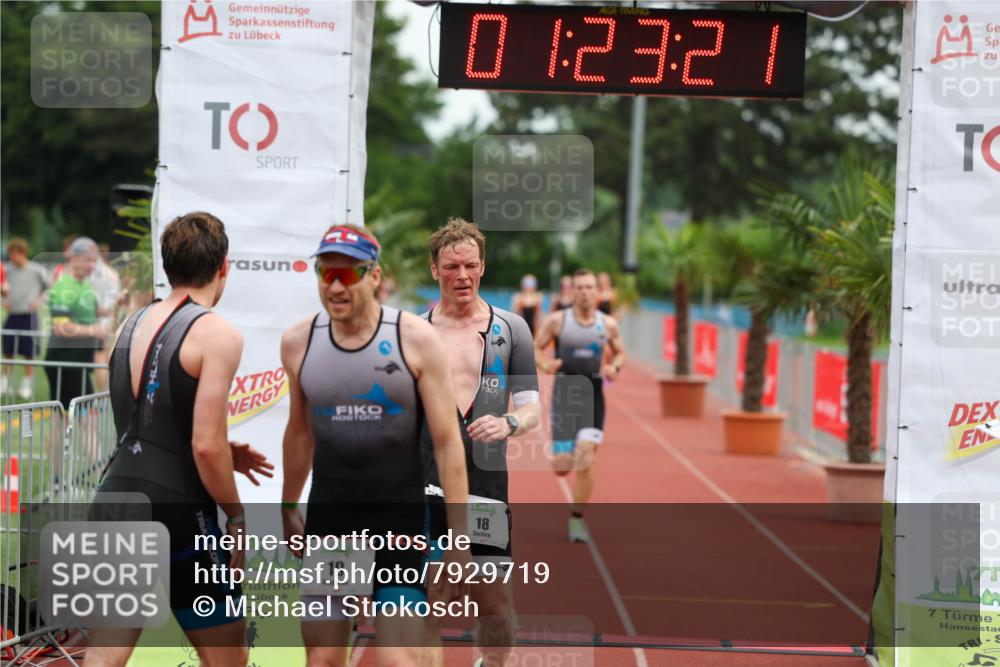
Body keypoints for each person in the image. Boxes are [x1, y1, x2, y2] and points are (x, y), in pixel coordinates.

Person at [85, 211, 273, 667]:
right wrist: (236, 516)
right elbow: (203, 446)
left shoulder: (131, 324)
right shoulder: (216, 332)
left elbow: (147, 424)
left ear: (167, 265)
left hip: (115, 500)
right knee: (228, 658)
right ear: (224, 266)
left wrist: (227, 451)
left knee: (104, 657)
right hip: (179, 512)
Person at [279, 224, 472, 667]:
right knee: (322, 660)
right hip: (332, 521)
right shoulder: (298, 342)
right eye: (326, 272)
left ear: (374, 277)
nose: (335, 284)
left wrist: (459, 538)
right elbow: (300, 432)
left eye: (348, 274)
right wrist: (290, 503)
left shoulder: (416, 339)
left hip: (398, 523)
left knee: (397, 658)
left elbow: (446, 442)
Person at [422, 219, 541, 667]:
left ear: (483, 267)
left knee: (493, 607)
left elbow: (532, 409)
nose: (463, 276)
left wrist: (508, 422)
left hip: (486, 491)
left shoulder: (512, 331)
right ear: (435, 270)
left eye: (471, 265)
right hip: (425, 489)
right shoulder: (413, 332)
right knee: (428, 606)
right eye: (452, 267)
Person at [534, 269, 625, 543]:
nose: (585, 292)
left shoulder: (607, 324)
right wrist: (547, 364)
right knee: (562, 468)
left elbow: (620, 351)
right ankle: (568, 453)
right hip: (565, 395)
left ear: (596, 291)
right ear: (572, 291)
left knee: (587, 458)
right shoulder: (557, 321)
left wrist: (614, 367)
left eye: (589, 287)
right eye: (580, 287)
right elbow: (537, 347)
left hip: (594, 394)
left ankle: (576, 521)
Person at [44, 237, 101, 408]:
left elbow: (92, 313)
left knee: (62, 420)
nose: (92, 265)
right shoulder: (63, 286)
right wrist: (93, 330)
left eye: (94, 261)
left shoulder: (84, 284)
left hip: (78, 362)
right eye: (87, 260)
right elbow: (61, 327)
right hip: (64, 362)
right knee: (86, 419)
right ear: (74, 258)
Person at [1, 238, 50, 399]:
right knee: (8, 351)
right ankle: (4, 384)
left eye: (14, 254)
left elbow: (49, 287)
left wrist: (39, 301)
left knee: (30, 353)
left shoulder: (36, 270)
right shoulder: (7, 270)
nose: (12, 258)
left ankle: (26, 386)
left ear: (22, 253)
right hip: (12, 314)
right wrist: (3, 301)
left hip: (29, 316)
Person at [90, 243, 124, 392]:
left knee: (100, 359)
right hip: (110, 319)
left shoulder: (95, 275)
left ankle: (102, 393)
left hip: (99, 321)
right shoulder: (113, 274)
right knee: (106, 358)